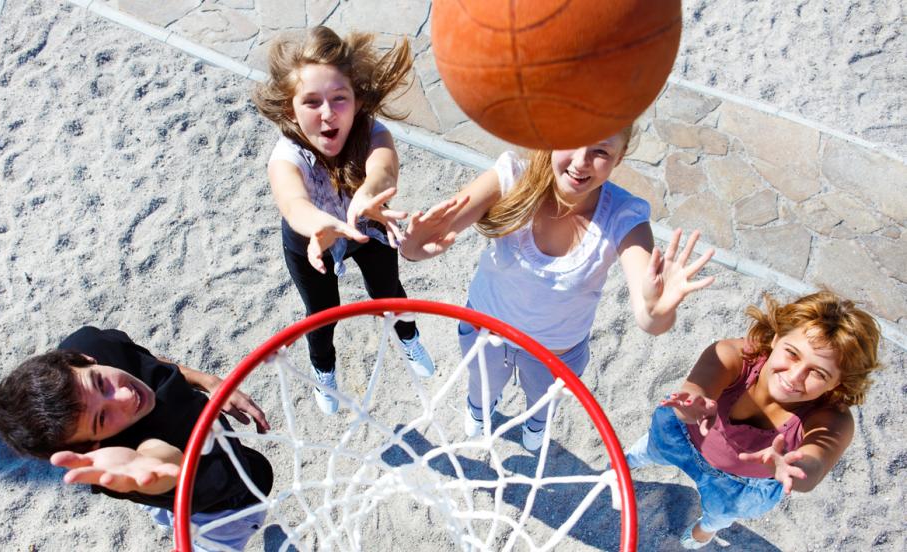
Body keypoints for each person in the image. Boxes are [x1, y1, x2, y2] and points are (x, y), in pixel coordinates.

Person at [399, 127, 715, 452]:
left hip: (554, 355)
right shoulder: (512, 176)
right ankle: (480, 411)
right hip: (484, 332)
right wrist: (413, 247)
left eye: (601, 152)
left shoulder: (623, 216)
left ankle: (535, 425)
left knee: (542, 402)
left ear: (620, 157)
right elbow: (425, 241)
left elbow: (650, 318)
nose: (581, 162)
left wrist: (658, 310)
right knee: (481, 385)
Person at [252, 26, 434, 415]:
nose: (328, 113)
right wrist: (317, 222)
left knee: (388, 290)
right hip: (312, 240)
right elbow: (292, 200)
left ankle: (408, 336)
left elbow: (383, 169)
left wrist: (369, 194)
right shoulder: (286, 156)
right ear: (290, 109)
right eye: (312, 102)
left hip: (365, 225)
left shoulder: (373, 132)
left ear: (357, 101)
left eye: (339, 99)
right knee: (321, 314)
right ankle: (324, 370)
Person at [625, 291, 882, 549]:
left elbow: (814, 466)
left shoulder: (833, 419)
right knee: (650, 449)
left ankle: (705, 530)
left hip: (738, 485)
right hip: (683, 439)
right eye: (793, 353)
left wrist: (794, 469)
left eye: (818, 372)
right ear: (778, 337)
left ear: (838, 382)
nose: (795, 376)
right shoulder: (734, 355)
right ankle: (630, 460)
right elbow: (692, 397)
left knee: (719, 515)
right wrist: (691, 408)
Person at [0, 326, 274, 552]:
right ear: (90, 446)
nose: (125, 397)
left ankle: (164, 514)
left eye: (100, 382)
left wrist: (209, 382)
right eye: (101, 419)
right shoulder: (118, 464)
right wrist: (145, 466)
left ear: (85, 359)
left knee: (163, 511)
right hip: (220, 512)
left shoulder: (92, 346)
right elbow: (163, 460)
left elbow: (145, 361)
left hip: (214, 467)